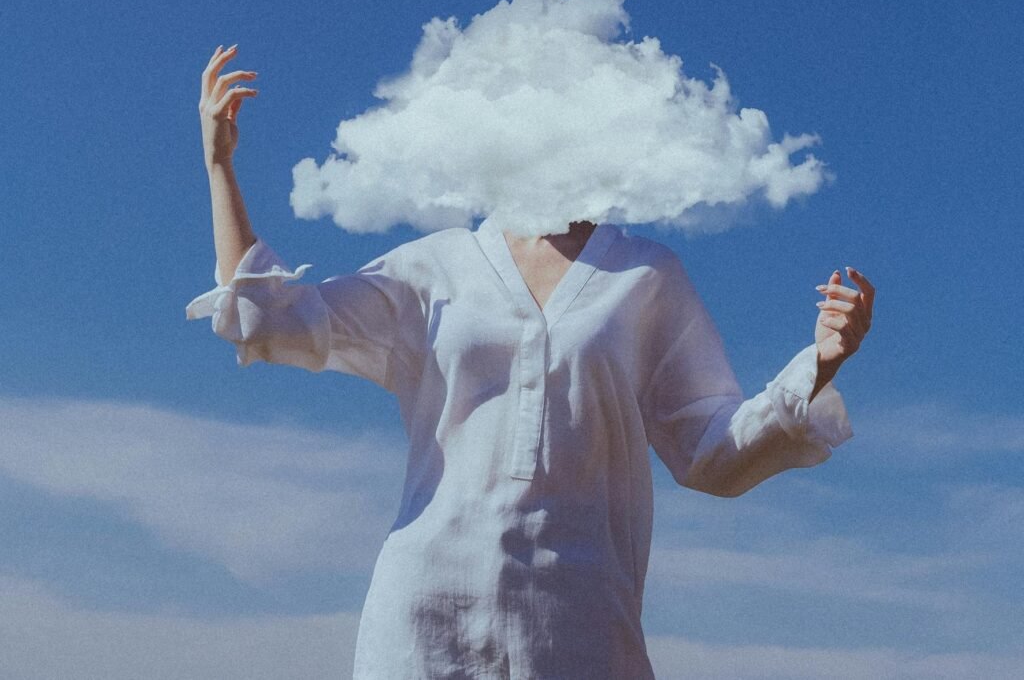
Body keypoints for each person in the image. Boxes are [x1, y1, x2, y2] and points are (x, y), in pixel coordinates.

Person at [187, 44, 876, 679]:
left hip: (579, 626)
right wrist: (220, 165)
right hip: (424, 624)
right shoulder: (436, 265)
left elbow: (712, 454)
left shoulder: (645, 275)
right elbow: (272, 321)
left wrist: (817, 364)